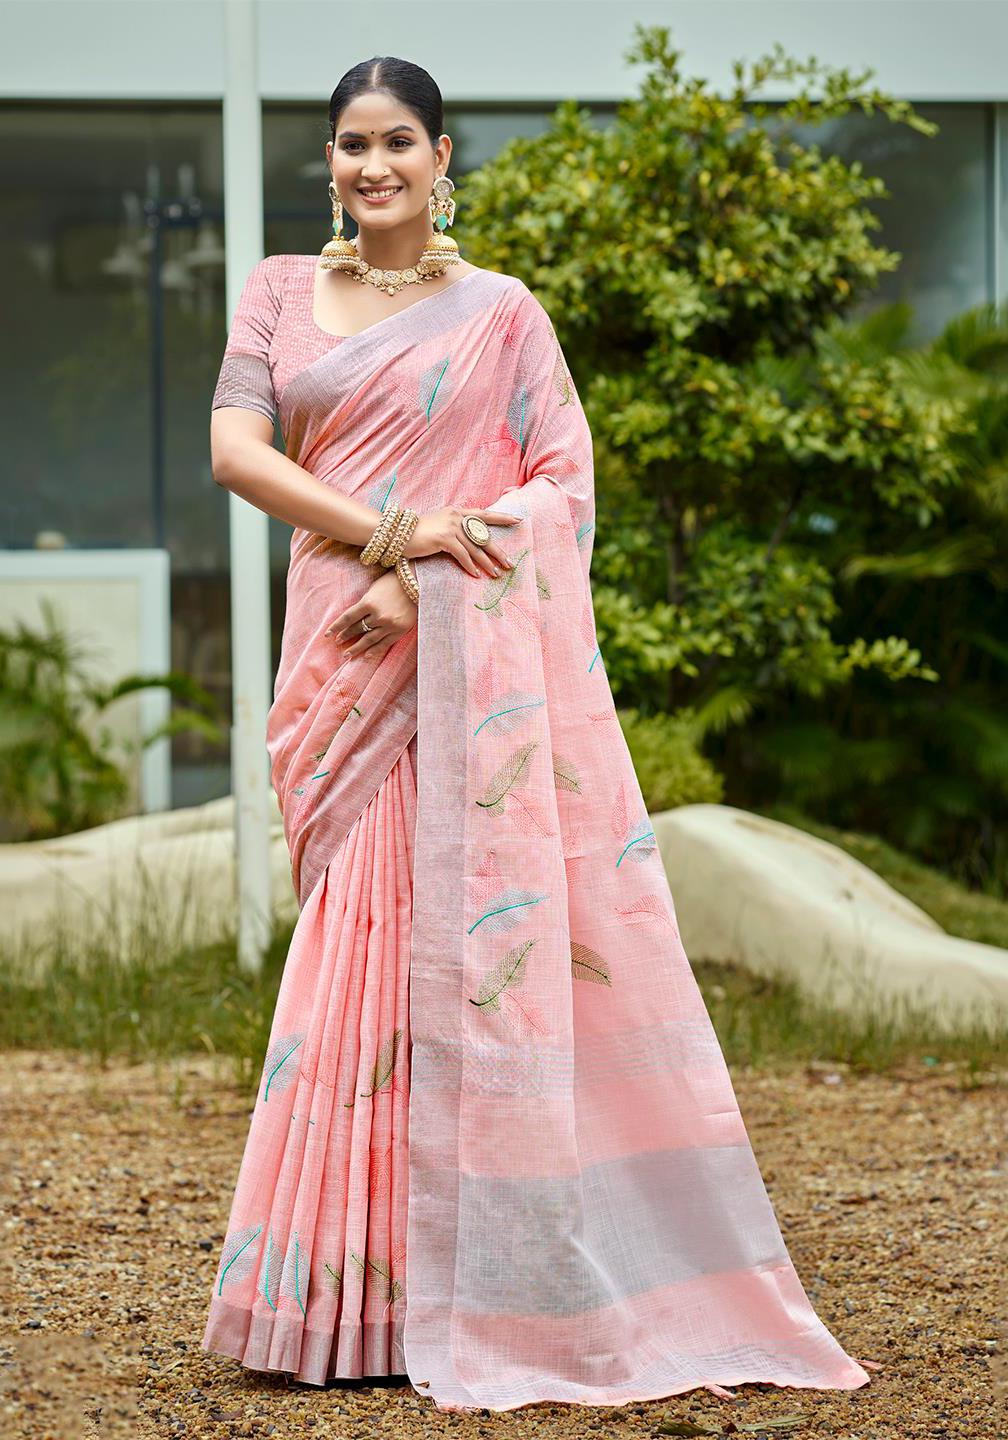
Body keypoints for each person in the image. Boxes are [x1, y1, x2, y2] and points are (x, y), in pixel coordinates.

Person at [200, 55, 872, 1417]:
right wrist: (393, 536)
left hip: (449, 658)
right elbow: (237, 454)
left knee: (450, 952)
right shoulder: (275, 291)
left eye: (399, 141)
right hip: (339, 650)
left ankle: (463, 1288)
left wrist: (428, 581)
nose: (373, 166)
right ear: (328, 161)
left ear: (442, 157)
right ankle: (338, 1298)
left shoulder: (504, 315)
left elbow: (563, 485)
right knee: (351, 946)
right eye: (351, 144)